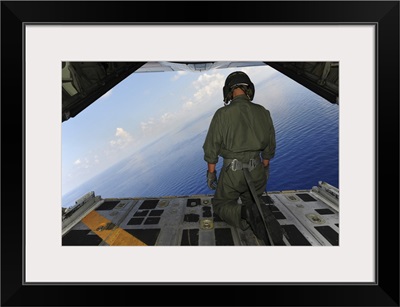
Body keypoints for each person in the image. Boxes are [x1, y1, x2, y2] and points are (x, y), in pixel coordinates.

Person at [202, 71, 283, 245]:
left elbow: (211, 148)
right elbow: (270, 146)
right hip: (257, 170)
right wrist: (265, 167)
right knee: (253, 198)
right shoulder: (263, 111)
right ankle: (255, 211)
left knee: (221, 204)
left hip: (233, 172)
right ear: (249, 90)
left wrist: (211, 174)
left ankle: (245, 214)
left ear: (228, 92)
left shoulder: (222, 114)